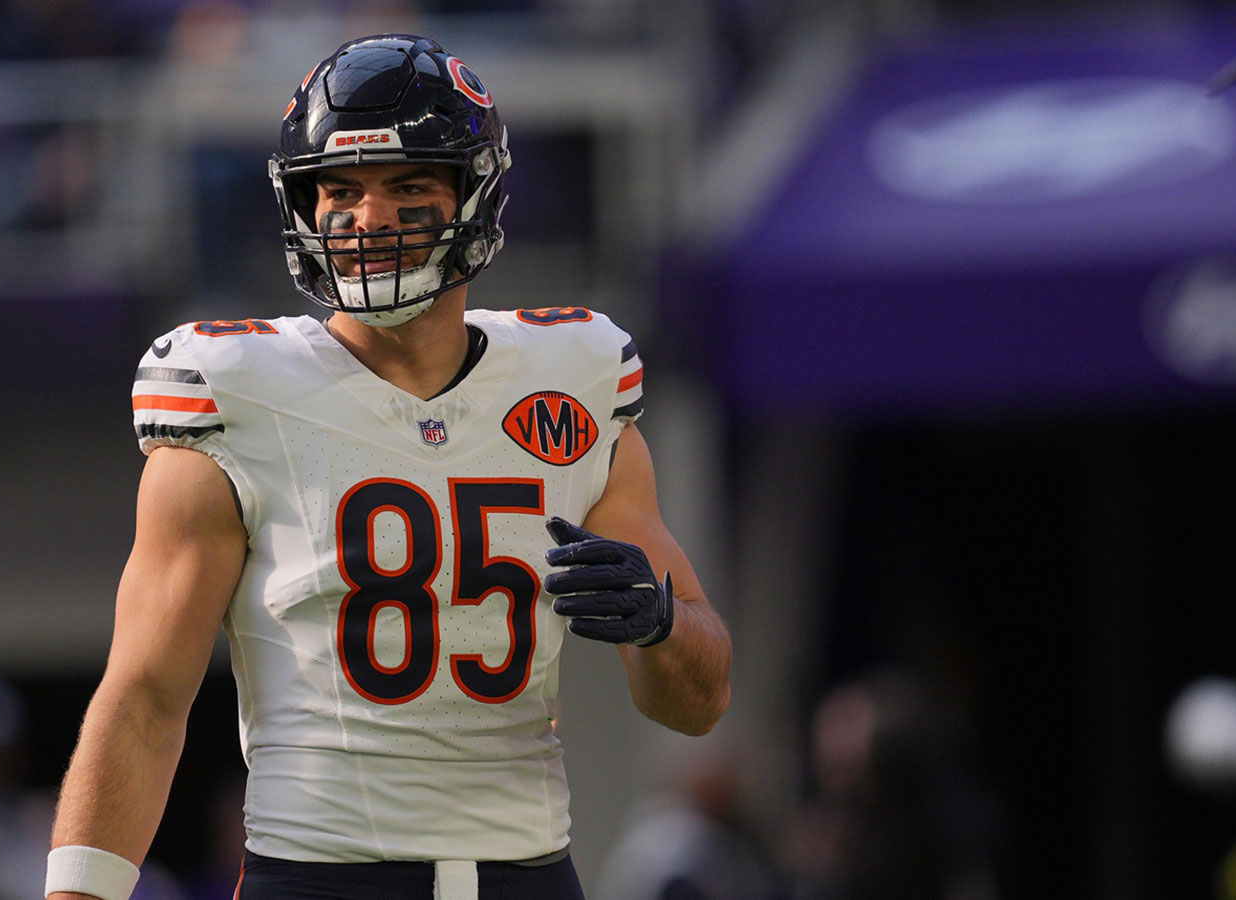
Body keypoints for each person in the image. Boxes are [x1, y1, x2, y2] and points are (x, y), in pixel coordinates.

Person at [47, 33, 732, 900]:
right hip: (319, 878)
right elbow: (144, 703)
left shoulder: (574, 385)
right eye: (340, 189)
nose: (368, 217)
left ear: (471, 195)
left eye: (407, 185)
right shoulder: (234, 394)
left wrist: (659, 622)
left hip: (527, 877)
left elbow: (698, 703)